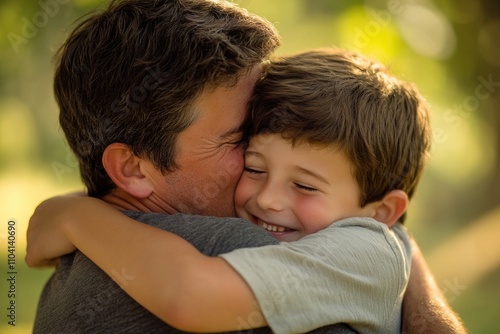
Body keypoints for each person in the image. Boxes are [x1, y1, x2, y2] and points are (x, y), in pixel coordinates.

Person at [26, 0, 467, 333]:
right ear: (133, 169)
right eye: (243, 141)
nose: (267, 196)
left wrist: (76, 215)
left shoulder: (79, 261)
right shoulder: (240, 243)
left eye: (305, 183)